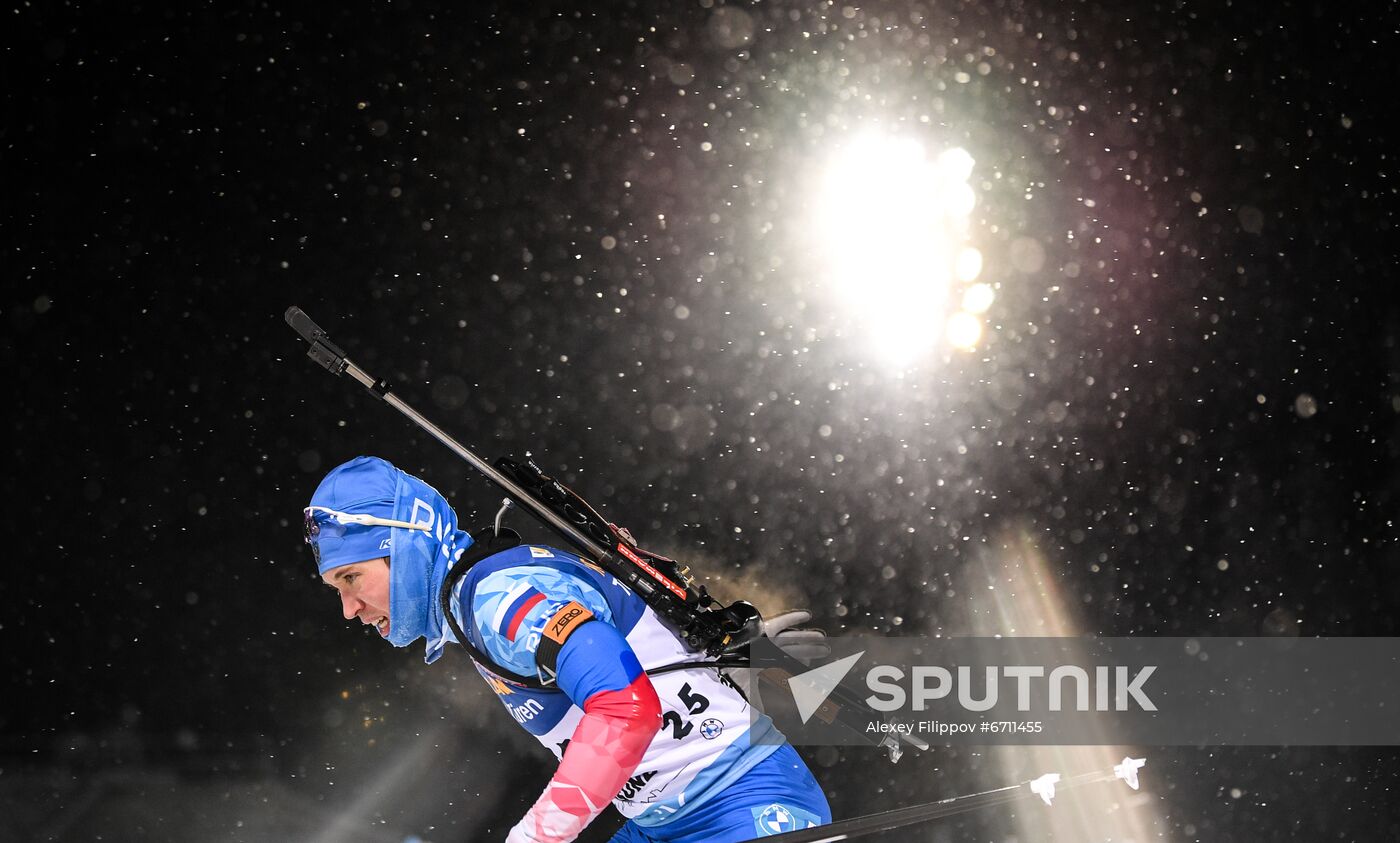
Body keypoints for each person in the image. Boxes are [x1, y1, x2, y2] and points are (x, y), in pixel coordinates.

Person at [304, 455, 832, 842]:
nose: (350, 607)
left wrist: (536, 836)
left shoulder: (497, 600)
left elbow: (626, 709)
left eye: (353, 577)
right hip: (662, 824)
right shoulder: (473, 603)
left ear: (406, 545)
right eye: (337, 588)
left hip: (743, 802)